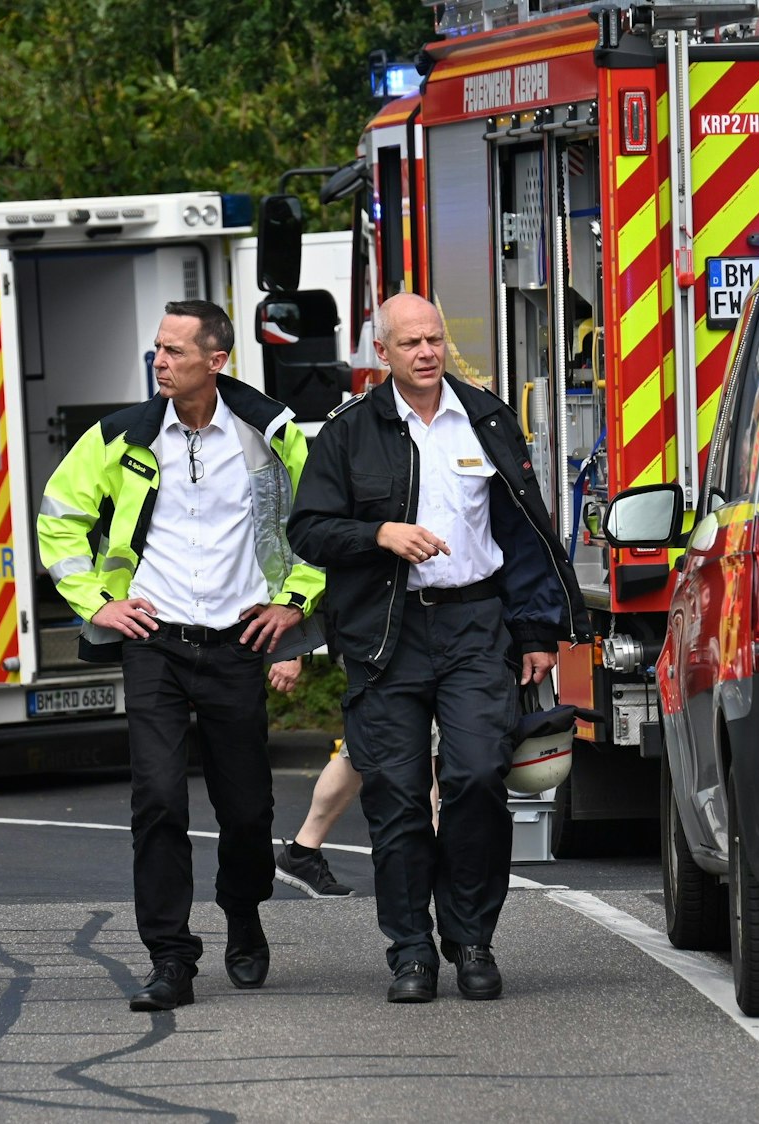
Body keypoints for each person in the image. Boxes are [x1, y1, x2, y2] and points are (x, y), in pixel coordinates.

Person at [288, 293, 586, 1003]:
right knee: (395, 797)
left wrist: (535, 630)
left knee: (477, 778)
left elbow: (523, 530)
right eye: (410, 342)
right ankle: (412, 953)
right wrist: (378, 534)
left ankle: (472, 939)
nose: (425, 353)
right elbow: (307, 530)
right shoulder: (349, 432)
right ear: (381, 352)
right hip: (385, 635)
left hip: (474, 626)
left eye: (434, 339)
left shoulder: (486, 417)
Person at [37, 299, 322, 1012]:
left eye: (174, 351)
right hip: (154, 642)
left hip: (238, 642)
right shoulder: (122, 435)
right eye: (157, 349)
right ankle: (170, 957)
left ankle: (243, 910)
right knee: (158, 800)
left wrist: (294, 602)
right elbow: (60, 516)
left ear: (216, 361)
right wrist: (96, 603)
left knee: (247, 810)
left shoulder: (272, 433)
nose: (159, 362)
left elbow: (320, 520)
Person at [268, 658, 439, 900]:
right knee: (414, 727)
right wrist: (291, 655)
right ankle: (429, 855)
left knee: (368, 739)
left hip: (394, 643)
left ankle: (301, 853)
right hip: (378, 643)